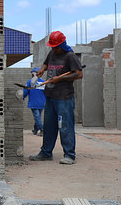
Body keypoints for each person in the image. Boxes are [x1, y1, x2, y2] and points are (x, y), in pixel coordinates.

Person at [29, 31, 83, 165]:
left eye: (56, 46)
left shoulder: (70, 56)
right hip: (50, 96)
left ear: (62, 44)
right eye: (52, 46)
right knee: (49, 126)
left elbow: (79, 74)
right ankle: (46, 153)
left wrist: (59, 78)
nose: (54, 49)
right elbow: (46, 63)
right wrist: (42, 70)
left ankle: (70, 155)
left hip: (64, 97)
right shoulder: (52, 53)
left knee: (65, 126)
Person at [23, 67, 45, 136]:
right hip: (42, 103)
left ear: (33, 74)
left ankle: (42, 130)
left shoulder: (30, 82)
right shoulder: (43, 82)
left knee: (37, 117)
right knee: (38, 117)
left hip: (34, 103)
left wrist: (22, 98)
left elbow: (25, 91)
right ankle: (35, 130)